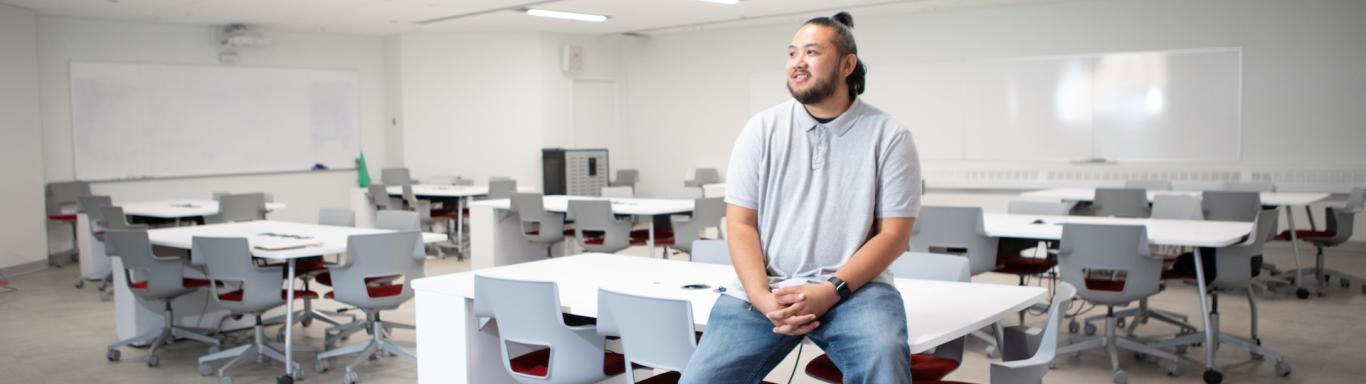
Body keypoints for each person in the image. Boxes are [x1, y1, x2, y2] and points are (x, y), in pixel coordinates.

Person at [680, 11, 923, 384]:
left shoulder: (889, 136)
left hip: (855, 290)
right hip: (769, 287)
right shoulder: (761, 129)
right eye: (792, 53)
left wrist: (831, 291)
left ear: (847, 65)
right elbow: (741, 223)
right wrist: (762, 297)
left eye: (811, 52)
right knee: (700, 379)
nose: (797, 63)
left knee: (884, 359)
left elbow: (893, 236)